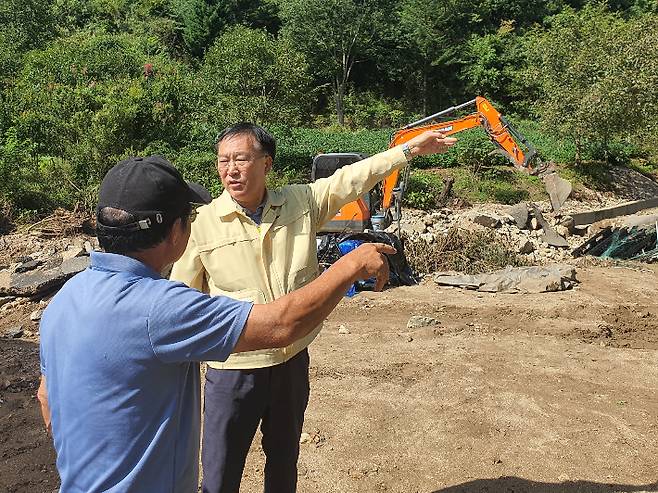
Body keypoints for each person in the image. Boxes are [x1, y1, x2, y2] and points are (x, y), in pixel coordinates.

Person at [36, 155, 396, 493]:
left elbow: (46, 398)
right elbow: (281, 325)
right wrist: (351, 265)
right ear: (176, 230)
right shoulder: (161, 309)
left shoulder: (65, 300)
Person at [170, 125, 457, 493]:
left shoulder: (299, 203)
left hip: (292, 364)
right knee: (220, 471)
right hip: (234, 372)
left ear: (266, 164)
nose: (231, 170)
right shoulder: (203, 224)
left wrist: (407, 152)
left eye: (241, 159)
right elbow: (180, 300)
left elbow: (352, 179)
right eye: (223, 161)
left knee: (284, 462)